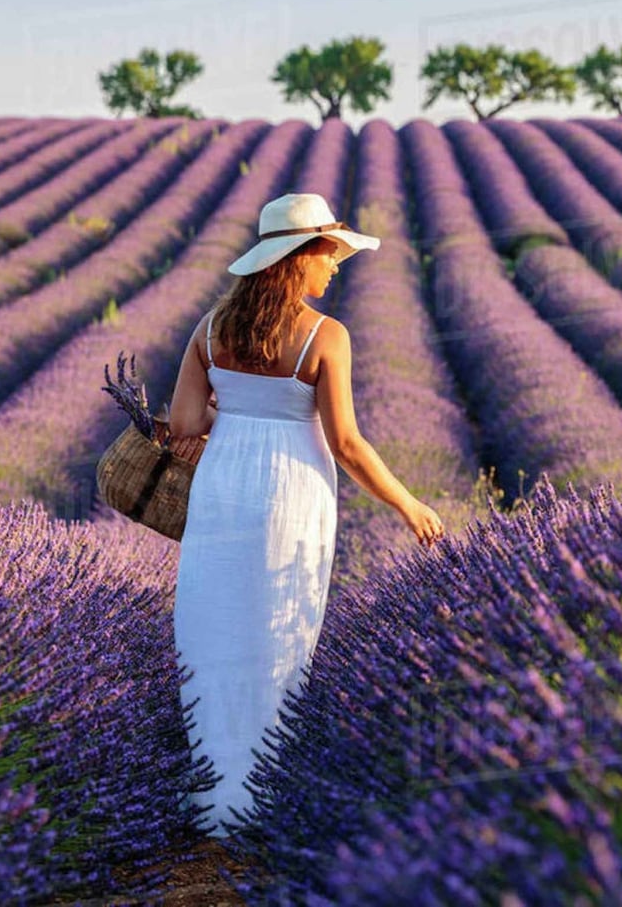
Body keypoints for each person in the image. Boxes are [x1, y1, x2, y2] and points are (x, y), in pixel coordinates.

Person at [166, 192, 446, 836]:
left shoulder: (210, 329)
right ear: (300, 258)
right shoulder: (325, 336)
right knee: (279, 631)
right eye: (331, 254)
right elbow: (346, 444)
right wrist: (406, 502)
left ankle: (215, 795)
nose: (337, 266)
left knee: (213, 632)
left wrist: (234, 419)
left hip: (223, 484)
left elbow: (183, 424)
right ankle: (263, 795)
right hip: (289, 492)